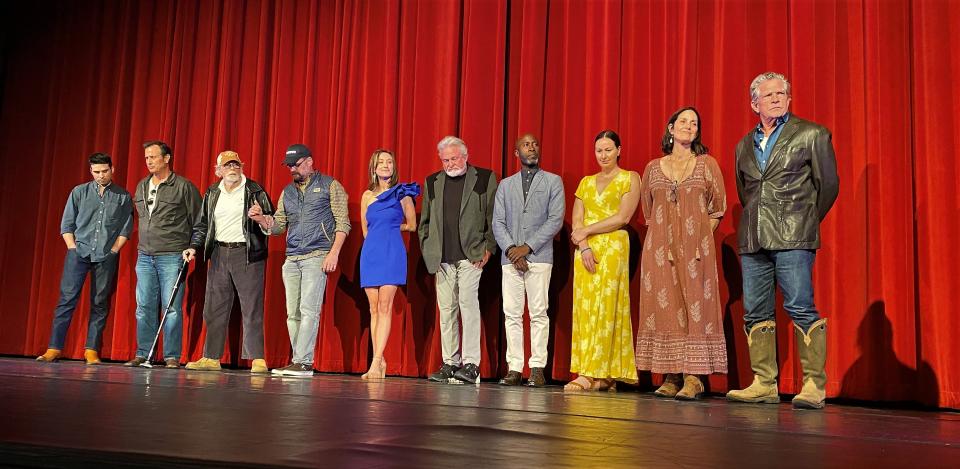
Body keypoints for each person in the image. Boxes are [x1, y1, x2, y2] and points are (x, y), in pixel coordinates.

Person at [726, 72, 839, 409]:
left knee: (800, 305)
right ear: (754, 103)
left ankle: (814, 386)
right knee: (755, 310)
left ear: (788, 99)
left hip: (794, 234)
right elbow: (745, 190)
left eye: (781, 94)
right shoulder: (743, 145)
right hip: (753, 237)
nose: (776, 99)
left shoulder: (811, 134)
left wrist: (803, 220)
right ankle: (764, 383)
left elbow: (828, 186)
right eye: (768, 95)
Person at [634, 107, 728, 400]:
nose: (689, 126)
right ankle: (672, 375)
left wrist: (698, 239)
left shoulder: (706, 164)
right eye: (683, 122)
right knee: (663, 309)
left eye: (695, 123)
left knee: (695, 309)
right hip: (659, 251)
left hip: (696, 251)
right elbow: (648, 212)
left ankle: (694, 377)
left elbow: (718, 209)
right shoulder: (652, 168)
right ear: (671, 128)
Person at [250, 143, 350, 377]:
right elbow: (278, 225)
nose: (292, 169)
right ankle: (299, 361)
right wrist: (261, 219)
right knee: (292, 313)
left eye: (296, 165)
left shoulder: (330, 185)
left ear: (309, 162)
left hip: (317, 255)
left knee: (308, 310)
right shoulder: (288, 192)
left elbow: (343, 223)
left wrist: (333, 253)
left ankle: (304, 362)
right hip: (292, 257)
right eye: (289, 166)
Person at [182, 151, 274, 374]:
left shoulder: (255, 190)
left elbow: (273, 223)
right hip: (219, 252)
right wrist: (194, 246)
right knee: (215, 307)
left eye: (236, 164)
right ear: (219, 170)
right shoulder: (213, 192)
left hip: (247, 253)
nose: (232, 168)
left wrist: (261, 217)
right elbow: (202, 224)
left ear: (241, 166)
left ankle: (257, 358)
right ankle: (211, 357)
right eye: (227, 165)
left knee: (251, 306)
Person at [37, 153, 133, 365]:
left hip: (105, 256)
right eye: (96, 172)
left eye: (105, 171)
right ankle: (54, 348)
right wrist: (72, 248)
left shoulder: (123, 196)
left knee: (99, 303)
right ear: (91, 171)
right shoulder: (79, 192)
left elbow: (126, 229)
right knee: (66, 300)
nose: (101, 175)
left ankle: (91, 350)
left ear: (112, 169)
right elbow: (67, 224)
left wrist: (114, 251)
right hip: (78, 253)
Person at [418, 136, 498, 384]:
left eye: (454, 158)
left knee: (468, 305)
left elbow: (493, 215)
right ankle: (450, 363)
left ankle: (471, 363)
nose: (450, 164)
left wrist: (489, 246)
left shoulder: (484, 178)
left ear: (465, 156)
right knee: (446, 310)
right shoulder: (432, 181)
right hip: (441, 257)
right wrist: (428, 248)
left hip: (471, 256)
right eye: (445, 160)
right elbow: (425, 222)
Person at [565, 130, 641, 392]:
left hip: (613, 248)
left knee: (608, 310)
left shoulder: (629, 178)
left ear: (619, 150)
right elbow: (577, 220)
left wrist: (587, 231)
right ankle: (586, 372)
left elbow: (623, 217)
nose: (604, 155)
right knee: (585, 311)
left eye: (609, 149)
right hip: (586, 251)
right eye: (599, 150)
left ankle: (606, 373)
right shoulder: (586, 182)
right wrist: (584, 245)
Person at [491, 134, 565, 387]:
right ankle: (514, 367)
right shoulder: (505, 185)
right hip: (510, 259)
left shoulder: (553, 181)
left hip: (539, 256)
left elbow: (555, 219)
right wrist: (512, 249)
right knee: (511, 313)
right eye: (526, 144)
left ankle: (536, 368)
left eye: (535, 144)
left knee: (538, 313)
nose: (532, 147)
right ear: (516, 152)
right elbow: (497, 222)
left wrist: (527, 247)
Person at [126, 141, 201, 368]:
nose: (149, 161)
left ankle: (171, 356)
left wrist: (194, 246)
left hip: (172, 255)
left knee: (171, 308)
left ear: (167, 158)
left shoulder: (183, 186)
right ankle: (143, 353)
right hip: (145, 256)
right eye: (146, 157)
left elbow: (199, 221)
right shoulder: (141, 186)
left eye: (153, 157)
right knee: (144, 306)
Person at [357, 149, 420, 380]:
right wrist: (377, 238)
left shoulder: (402, 193)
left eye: (389, 162)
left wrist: (394, 228)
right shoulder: (366, 196)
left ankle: (375, 362)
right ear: (374, 168)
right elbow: (365, 230)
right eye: (381, 162)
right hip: (371, 254)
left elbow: (412, 225)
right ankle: (380, 361)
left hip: (392, 252)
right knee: (373, 309)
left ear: (394, 167)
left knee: (385, 307)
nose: (385, 165)